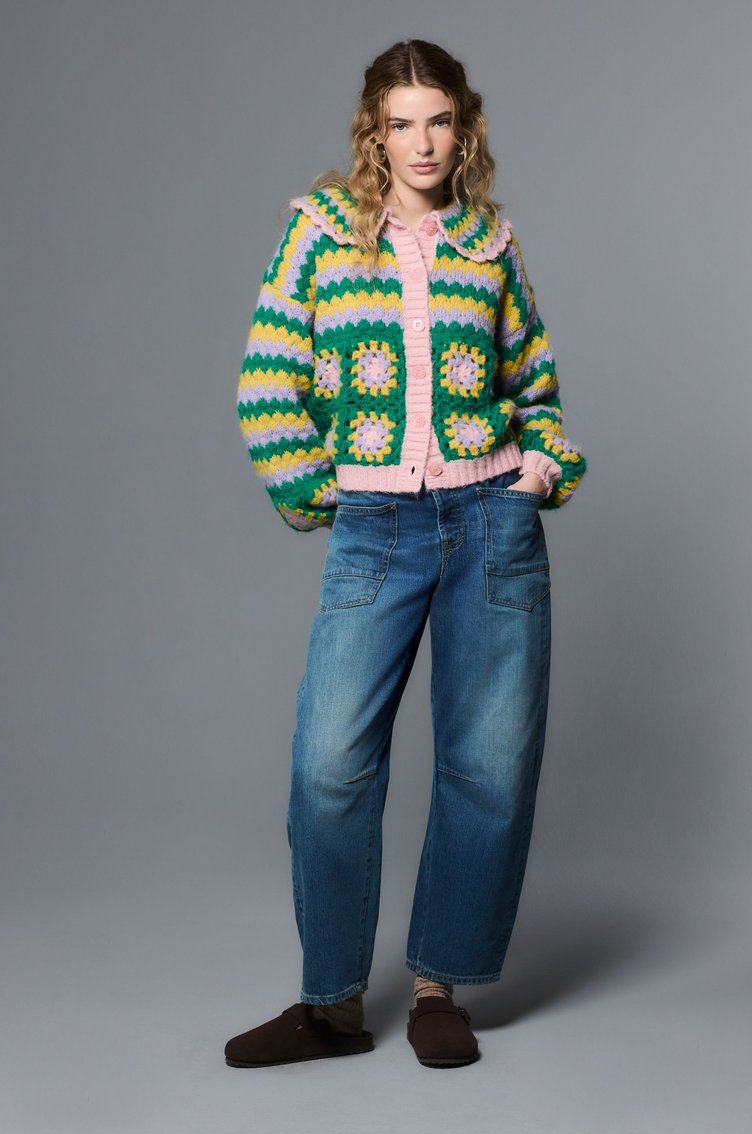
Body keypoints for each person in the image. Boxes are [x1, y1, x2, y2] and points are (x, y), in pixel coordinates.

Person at [226, 38, 586, 1069]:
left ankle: (437, 989)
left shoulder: (489, 243)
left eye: (438, 121)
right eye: (400, 122)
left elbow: (534, 387)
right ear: (373, 132)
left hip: (489, 523)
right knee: (330, 763)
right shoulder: (320, 231)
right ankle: (331, 1007)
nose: (421, 142)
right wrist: (320, 489)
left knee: (486, 767)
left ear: (462, 129)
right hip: (376, 528)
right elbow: (267, 375)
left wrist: (535, 472)